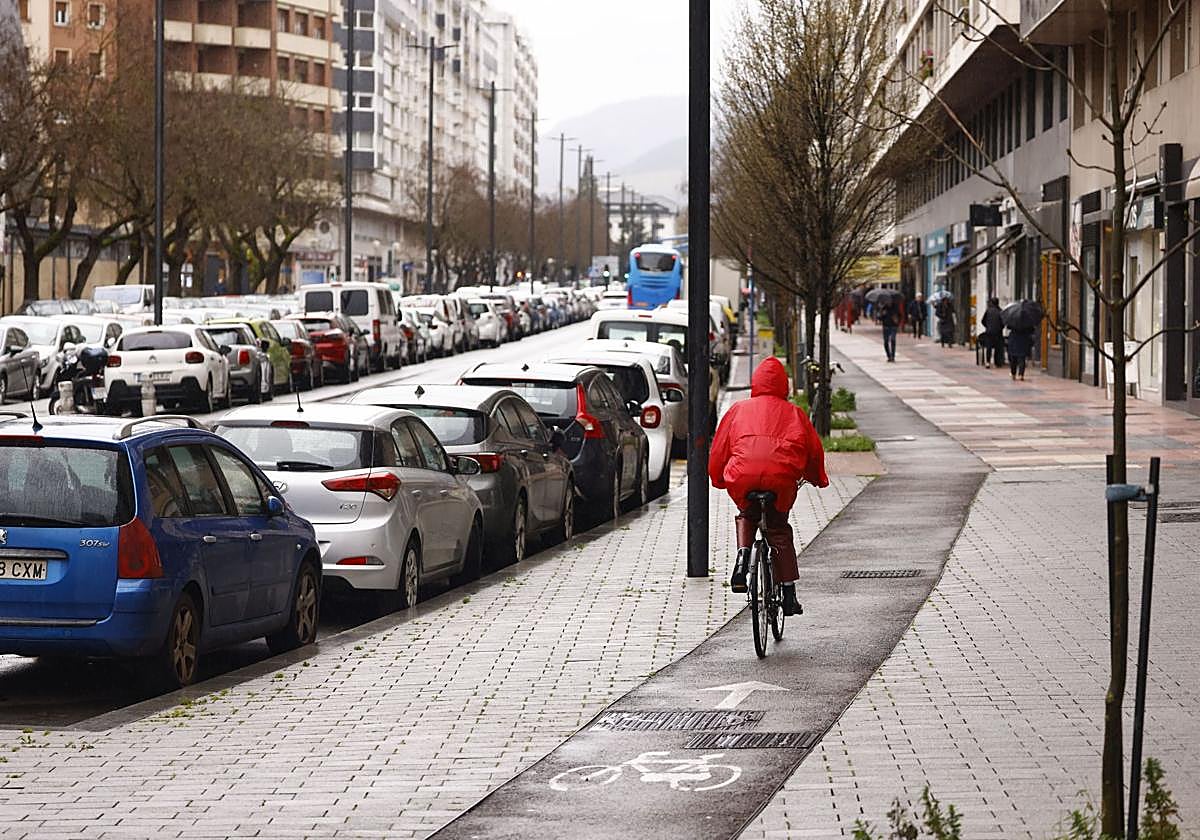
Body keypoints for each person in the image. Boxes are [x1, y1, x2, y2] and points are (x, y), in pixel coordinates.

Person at [708, 357, 829, 617]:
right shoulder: (794, 413)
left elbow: (719, 449)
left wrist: (717, 478)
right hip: (780, 481)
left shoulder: (738, 410)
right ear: (782, 385)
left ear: (756, 383)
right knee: (777, 528)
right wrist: (818, 478)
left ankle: (742, 557)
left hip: (743, 478)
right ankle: (788, 593)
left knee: (748, 514)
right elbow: (813, 452)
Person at [981, 297, 1004, 368]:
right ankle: (997, 362)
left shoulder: (988, 311)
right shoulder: (1000, 311)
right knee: (998, 347)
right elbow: (1003, 323)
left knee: (989, 347)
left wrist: (987, 326)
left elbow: (983, 321)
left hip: (989, 332)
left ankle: (987, 362)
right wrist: (1000, 328)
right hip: (998, 332)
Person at [878, 297, 900, 362]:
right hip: (886, 326)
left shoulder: (895, 308)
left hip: (893, 326)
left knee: (893, 339)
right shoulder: (883, 308)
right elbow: (879, 318)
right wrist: (882, 314)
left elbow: (900, 315)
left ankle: (893, 356)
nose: (889, 302)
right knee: (886, 342)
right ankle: (888, 355)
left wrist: (896, 318)